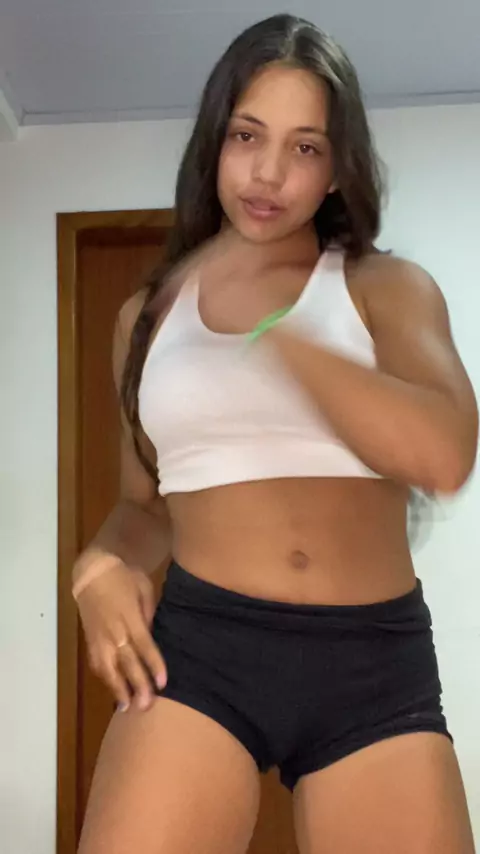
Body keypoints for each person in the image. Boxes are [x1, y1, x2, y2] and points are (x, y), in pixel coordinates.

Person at [74, 14, 478, 854]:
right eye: (247, 135)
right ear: (214, 143)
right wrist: (100, 565)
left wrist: (279, 332)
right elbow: (144, 506)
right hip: (200, 653)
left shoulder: (386, 287)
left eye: (305, 147)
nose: (268, 173)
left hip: (373, 664)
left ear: (336, 170)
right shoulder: (144, 319)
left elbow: (445, 455)